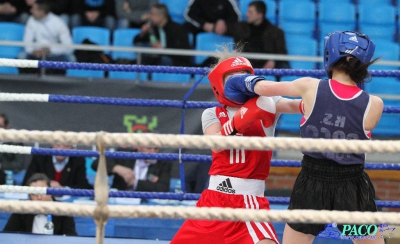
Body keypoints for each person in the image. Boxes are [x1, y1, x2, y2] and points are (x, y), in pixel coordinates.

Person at [223, 31, 384, 244]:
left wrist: (239, 80)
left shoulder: (310, 86)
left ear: (330, 54)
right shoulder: (375, 104)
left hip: (312, 181)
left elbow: (264, 88)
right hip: (352, 184)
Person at [171, 51, 301, 244]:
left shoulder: (267, 102)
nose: (239, 82)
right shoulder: (211, 113)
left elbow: (295, 106)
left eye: (243, 75)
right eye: (233, 77)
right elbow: (216, 145)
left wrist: (320, 98)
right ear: (219, 83)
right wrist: (242, 119)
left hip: (249, 202)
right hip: (213, 201)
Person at [215, 0, 290, 71]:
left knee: (284, 67)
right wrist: (220, 22)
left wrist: (273, 61)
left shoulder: (276, 32)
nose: (247, 14)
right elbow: (224, 28)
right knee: (216, 59)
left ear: (260, 15)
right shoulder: (240, 27)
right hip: (244, 63)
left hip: (266, 65)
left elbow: (282, 52)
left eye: (250, 12)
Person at [3, 173, 78, 235]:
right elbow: (7, 235)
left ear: (51, 192)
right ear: (29, 196)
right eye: (34, 194)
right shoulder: (22, 209)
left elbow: (71, 239)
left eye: (42, 192)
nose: (39, 197)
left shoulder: (64, 210)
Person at [18, 0, 75, 75]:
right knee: (21, 56)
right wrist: (33, 51)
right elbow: (27, 42)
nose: (30, 11)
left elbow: (69, 47)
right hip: (36, 54)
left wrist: (51, 50)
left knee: (71, 58)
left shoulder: (59, 23)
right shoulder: (31, 20)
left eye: (33, 9)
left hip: (54, 55)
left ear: (41, 12)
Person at [91, 145, 172, 192]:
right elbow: (96, 164)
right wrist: (116, 168)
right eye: (149, 148)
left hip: (148, 206)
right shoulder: (125, 154)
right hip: (120, 203)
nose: (153, 152)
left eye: (156, 149)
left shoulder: (163, 162)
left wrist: (135, 183)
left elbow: (163, 188)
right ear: (139, 147)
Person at [22, 144, 92, 189]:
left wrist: (63, 189)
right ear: (52, 145)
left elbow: (83, 185)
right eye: (58, 145)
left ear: (72, 148)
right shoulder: (40, 156)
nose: (61, 149)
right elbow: (27, 181)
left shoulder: (78, 160)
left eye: (66, 146)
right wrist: (46, 185)